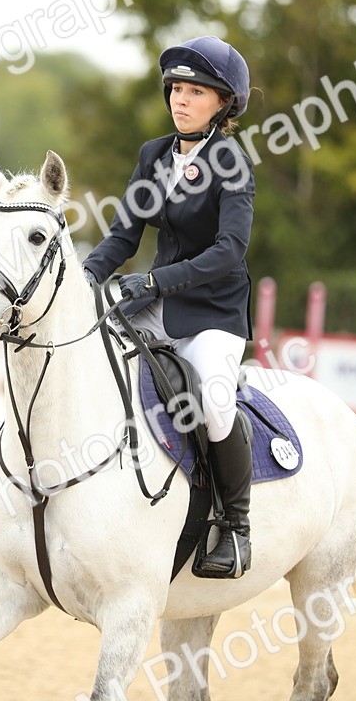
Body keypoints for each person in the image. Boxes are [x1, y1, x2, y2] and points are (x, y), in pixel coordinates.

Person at [82, 35, 256, 579]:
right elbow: (123, 236)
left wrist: (157, 281)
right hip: (155, 300)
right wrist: (86, 278)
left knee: (215, 401)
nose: (181, 99)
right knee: (91, 353)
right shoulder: (153, 156)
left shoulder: (232, 163)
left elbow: (230, 250)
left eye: (196, 91)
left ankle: (236, 525)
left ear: (223, 103)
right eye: (177, 89)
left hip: (213, 312)